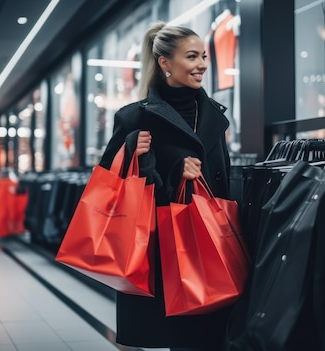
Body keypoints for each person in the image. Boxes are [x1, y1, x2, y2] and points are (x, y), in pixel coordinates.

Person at [98, 22, 232, 350]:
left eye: (203, 56)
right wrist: (162, 168)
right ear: (165, 63)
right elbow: (110, 189)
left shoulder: (214, 115)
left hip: (212, 247)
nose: (202, 63)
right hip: (162, 252)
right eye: (191, 56)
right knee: (183, 338)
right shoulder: (135, 118)